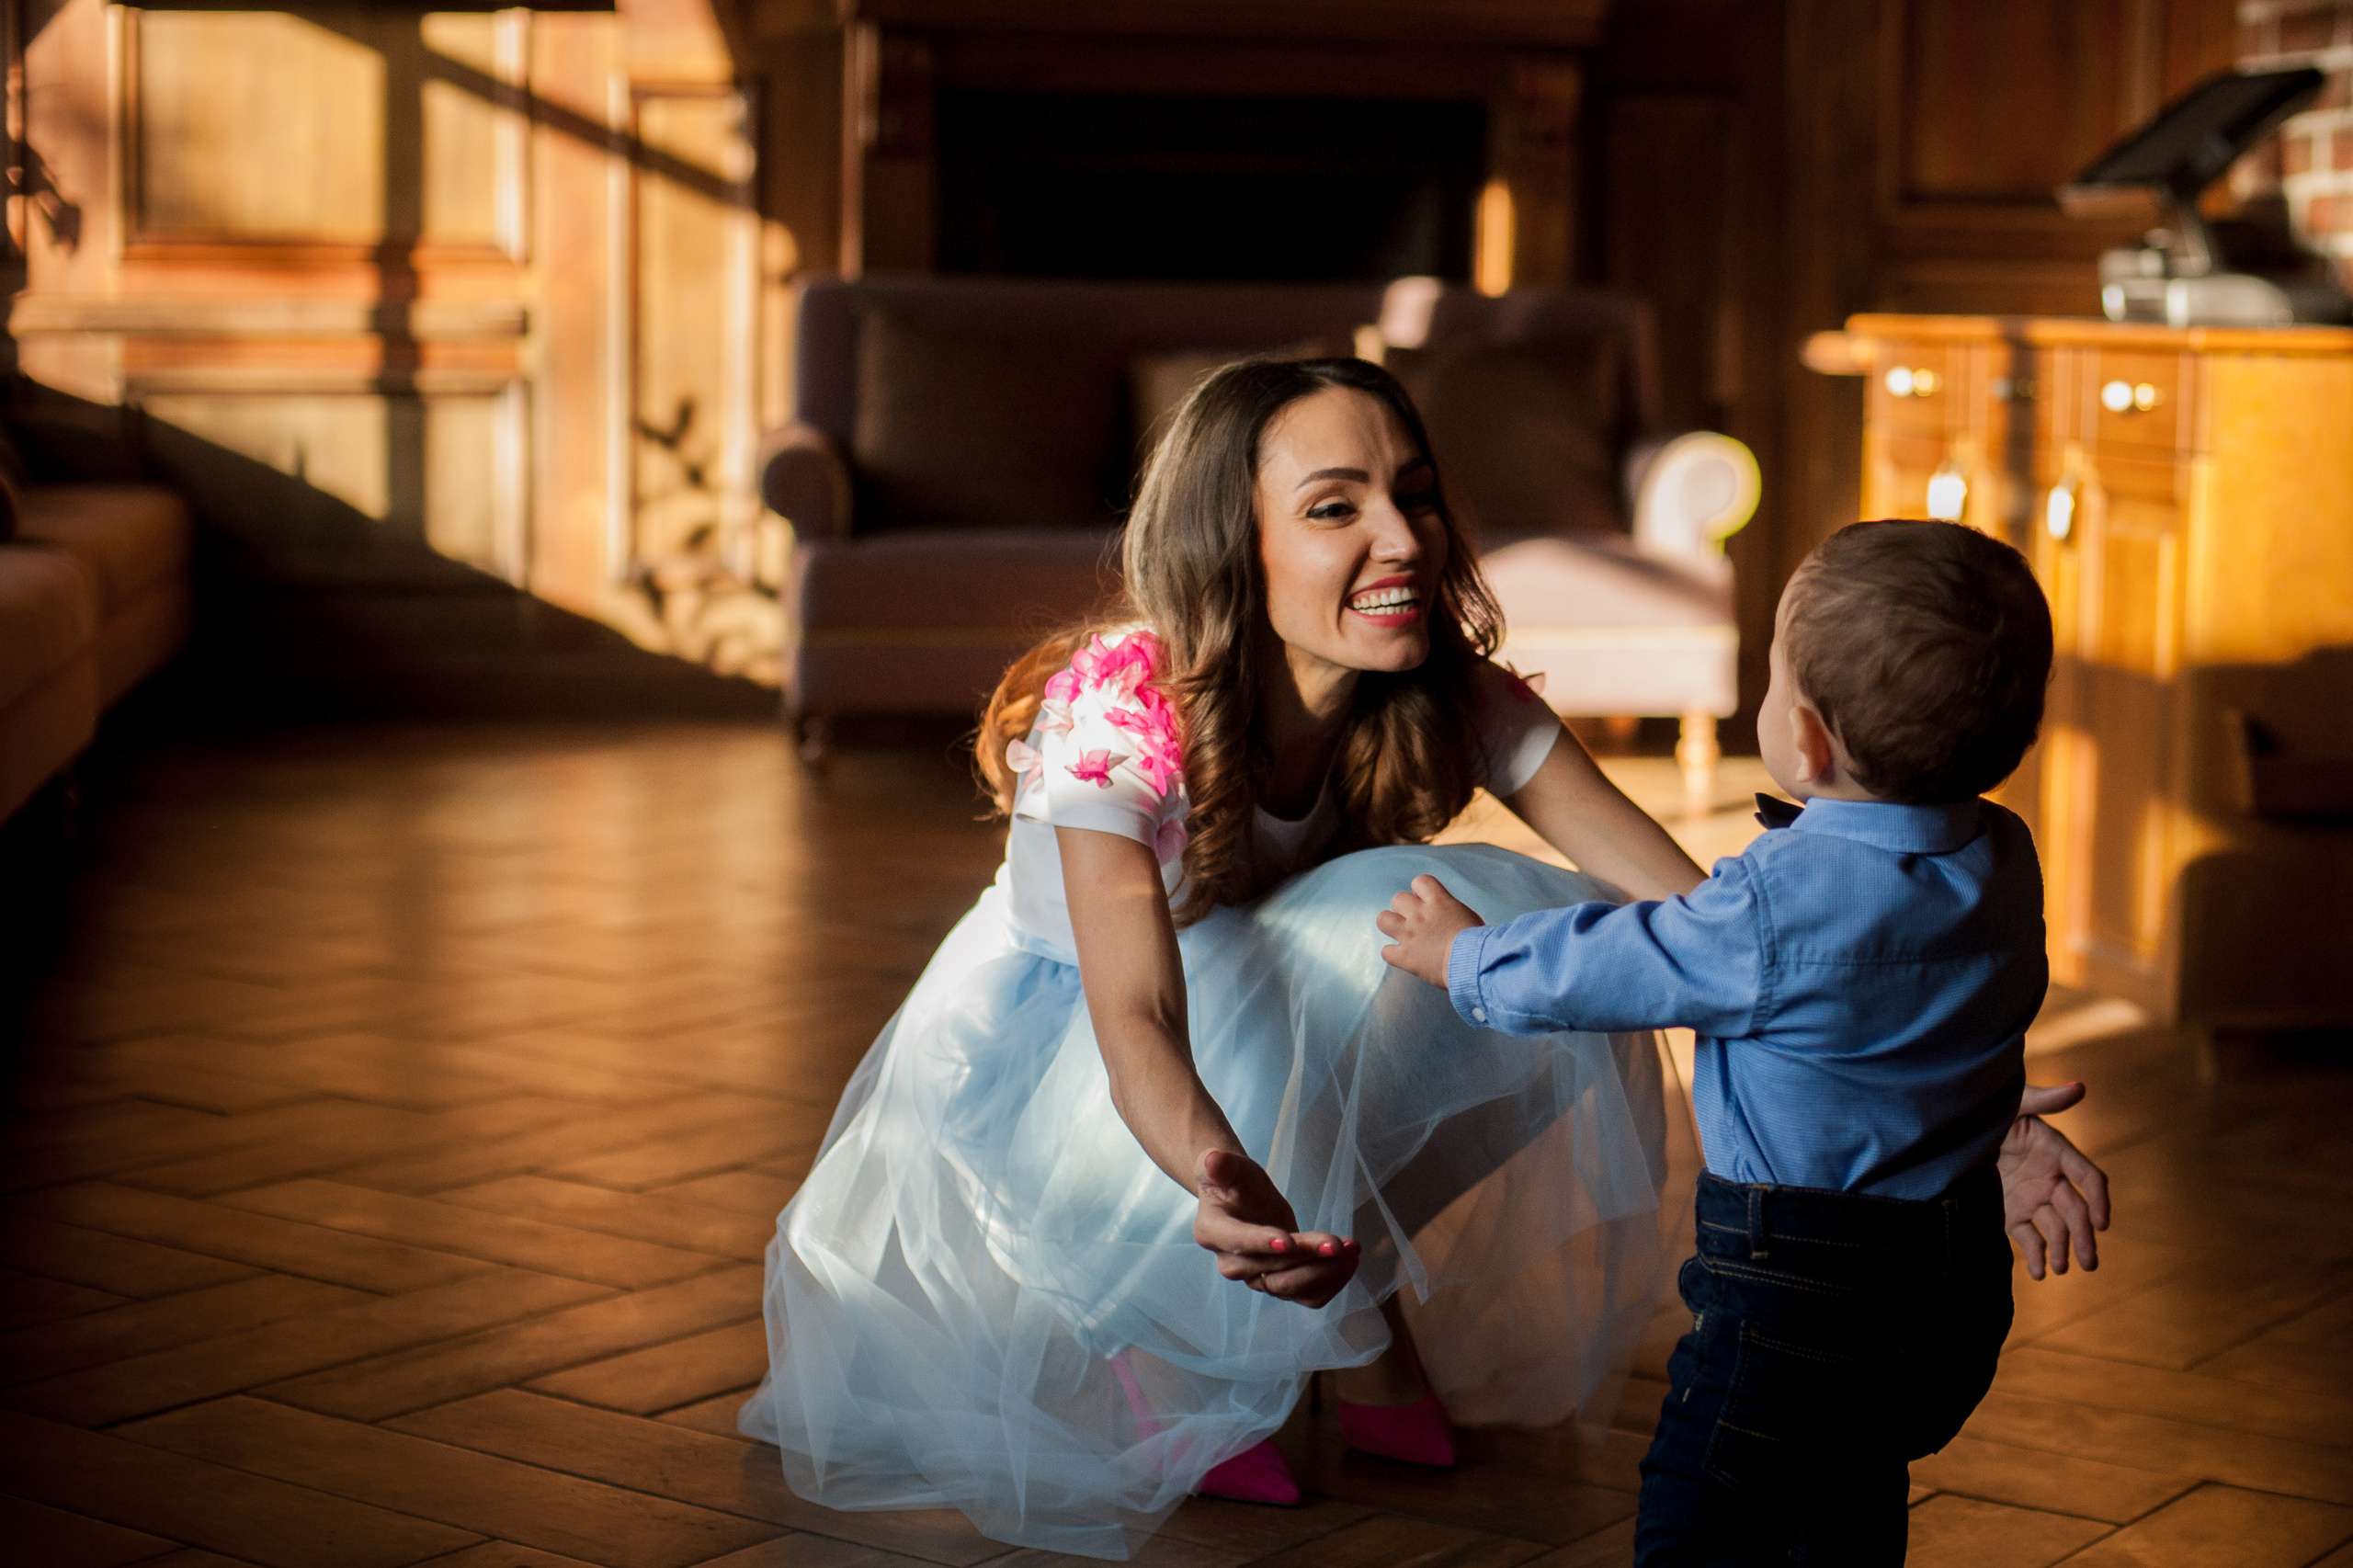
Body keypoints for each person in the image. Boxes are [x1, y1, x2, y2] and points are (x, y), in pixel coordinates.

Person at [739, 357, 1730, 1561]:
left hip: (1256, 1004)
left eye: (1413, 495)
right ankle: (1169, 1319)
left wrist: (1955, 1096)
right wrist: (1215, 1177)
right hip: (1070, 1053)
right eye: (1334, 507)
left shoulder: (1443, 689)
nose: (1403, 538)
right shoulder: (1121, 708)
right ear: (1232, 545)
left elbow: (1690, 912)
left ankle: (1335, 1274)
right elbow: (1140, 1011)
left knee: (1506, 930)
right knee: (1259, 964)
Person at [1376, 518, 2109, 1565]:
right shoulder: (2004, 854)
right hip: (1947, 1280)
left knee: (1704, 1508)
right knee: (1846, 1491)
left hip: (1794, 1288)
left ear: (1805, 740)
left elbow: (1622, 961)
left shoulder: (1776, 902)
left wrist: (1466, 957)